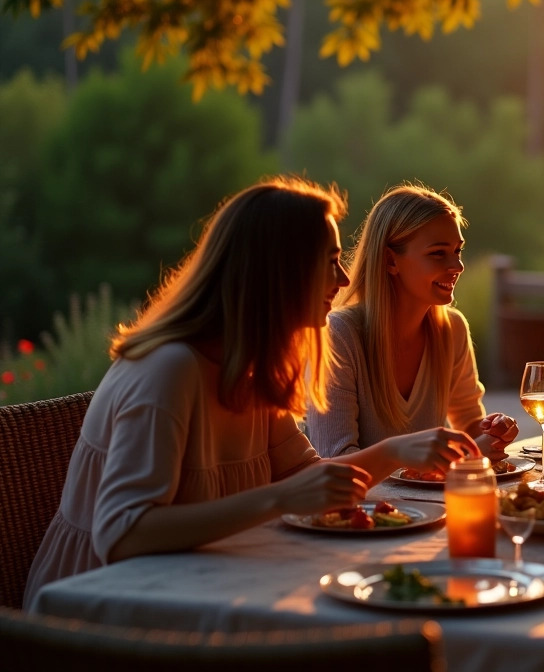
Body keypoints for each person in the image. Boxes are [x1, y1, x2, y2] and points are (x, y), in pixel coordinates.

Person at [25, 177, 479, 606]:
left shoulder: (252, 367)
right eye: (329, 262)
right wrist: (276, 500)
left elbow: (306, 477)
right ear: (277, 272)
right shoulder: (170, 369)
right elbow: (123, 537)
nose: (343, 281)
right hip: (99, 608)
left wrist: (397, 452)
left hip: (198, 580)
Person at [307, 182, 518, 461]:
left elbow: (468, 425)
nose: (457, 266)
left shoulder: (452, 329)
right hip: (360, 506)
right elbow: (333, 461)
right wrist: (413, 457)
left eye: (457, 251)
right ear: (390, 261)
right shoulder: (339, 335)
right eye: (438, 253)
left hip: (425, 503)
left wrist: (493, 432)